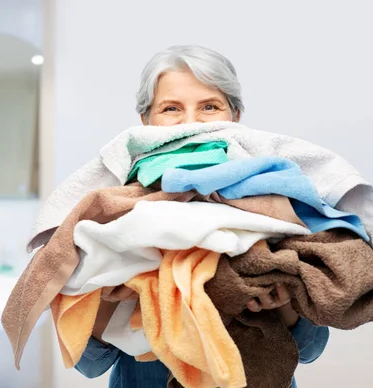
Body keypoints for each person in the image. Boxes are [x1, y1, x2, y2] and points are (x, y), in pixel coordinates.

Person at [74, 45, 329, 388]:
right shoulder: (110, 212)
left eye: (210, 106)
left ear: (235, 117)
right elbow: (89, 365)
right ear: (146, 121)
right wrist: (106, 297)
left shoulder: (278, 201)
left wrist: (282, 305)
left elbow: (310, 350)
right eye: (171, 109)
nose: (191, 123)